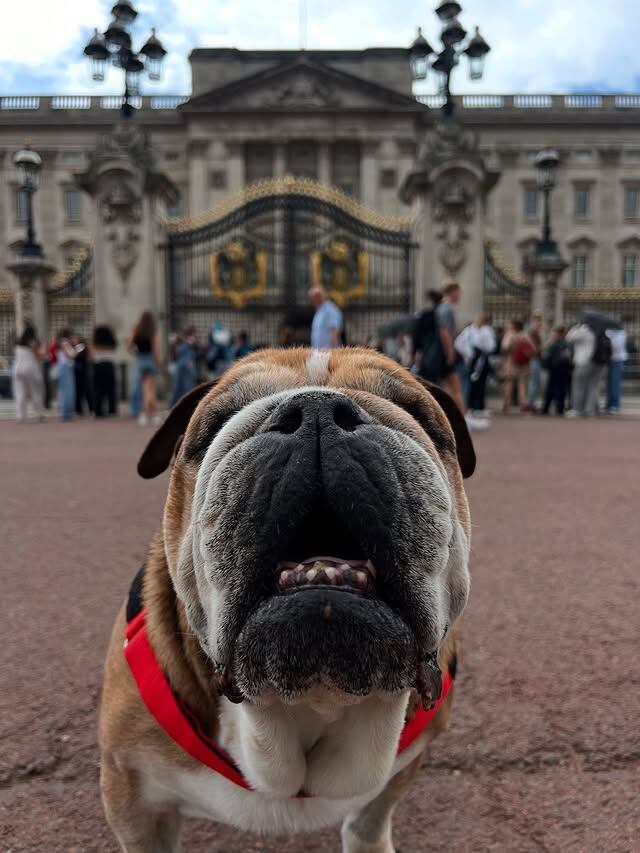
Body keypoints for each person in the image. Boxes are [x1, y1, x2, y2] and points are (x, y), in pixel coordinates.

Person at [455, 313, 496, 418]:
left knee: (476, 382)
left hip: (476, 358)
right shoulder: (483, 330)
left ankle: (475, 406)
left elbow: (458, 343)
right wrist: (469, 353)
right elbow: (491, 346)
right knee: (477, 383)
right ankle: (476, 406)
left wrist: (468, 353)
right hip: (478, 357)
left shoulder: (471, 329)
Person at [435, 282, 465, 413]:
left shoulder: (442, 307)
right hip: (444, 353)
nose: (460, 295)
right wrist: (449, 353)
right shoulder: (446, 308)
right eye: (458, 292)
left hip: (441, 354)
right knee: (456, 387)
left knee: (449, 388)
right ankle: (463, 418)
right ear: (452, 292)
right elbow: (444, 332)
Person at [129, 312, 161, 426]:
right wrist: (159, 363)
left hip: (140, 360)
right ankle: (150, 414)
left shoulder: (137, 330)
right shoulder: (152, 331)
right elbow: (155, 349)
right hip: (150, 360)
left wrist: (136, 352)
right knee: (150, 390)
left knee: (145, 390)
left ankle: (148, 414)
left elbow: (129, 345)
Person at [566, 321, 600, 416]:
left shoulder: (583, 330)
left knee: (578, 386)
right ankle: (589, 410)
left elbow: (569, 337)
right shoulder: (597, 331)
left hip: (582, 362)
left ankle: (577, 409)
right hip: (594, 362)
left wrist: (575, 327)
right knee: (592, 387)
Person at [12, 325, 45, 422]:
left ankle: (21, 415)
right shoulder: (33, 343)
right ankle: (40, 413)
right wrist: (43, 348)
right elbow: (39, 355)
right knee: (36, 392)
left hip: (18, 369)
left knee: (20, 393)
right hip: (30, 369)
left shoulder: (18, 343)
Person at [501, 319, 535, 413]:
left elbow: (505, 347)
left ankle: (506, 405)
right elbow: (532, 348)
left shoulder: (510, 335)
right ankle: (523, 405)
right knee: (522, 385)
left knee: (509, 385)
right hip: (523, 364)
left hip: (511, 363)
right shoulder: (525, 335)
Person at [412, 290, 443, 382]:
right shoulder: (439, 314)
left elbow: (417, 335)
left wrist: (415, 351)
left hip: (427, 351)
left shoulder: (425, 316)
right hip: (437, 352)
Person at [541, 326, 572, 416]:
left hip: (556, 369)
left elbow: (549, 356)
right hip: (562, 369)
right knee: (559, 390)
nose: (552, 335)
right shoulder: (565, 344)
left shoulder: (557, 344)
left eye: (554, 333)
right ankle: (558, 408)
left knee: (552, 390)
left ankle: (547, 408)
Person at [92, 325, 118, 417]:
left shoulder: (95, 342)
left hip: (97, 364)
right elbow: (114, 348)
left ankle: (98, 411)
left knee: (98, 389)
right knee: (111, 389)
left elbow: (92, 352)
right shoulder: (111, 342)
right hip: (108, 364)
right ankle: (112, 410)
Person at [170, 326, 198, 406]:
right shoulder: (183, 343)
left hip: (186, 366)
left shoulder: (189, 344)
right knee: (181, 386)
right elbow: (177, 352)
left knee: (185, 385)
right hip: (183, 366)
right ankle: (177, 402)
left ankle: (183, 403)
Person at [56, 328, 78, 421]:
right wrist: (77, 347)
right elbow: (70, 356)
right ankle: (66, 413)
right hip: (66, 367)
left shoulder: (62, 342)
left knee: (65, 390)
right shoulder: (65, 342)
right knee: (67, 391)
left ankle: (66, 412)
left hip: (64, 367)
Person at [605, 326, 628, 414]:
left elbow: (617, 346)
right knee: (609, 383)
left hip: (618, 360)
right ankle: (609, 403)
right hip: (609, 360)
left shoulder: (621, 333)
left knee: (615, 383)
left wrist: (609, 341)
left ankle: (615, 405)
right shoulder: (608, 332)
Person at [526, 313, 544, 411]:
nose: (540, 324)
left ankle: (531, 402)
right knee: (534, 383)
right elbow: (535, 349)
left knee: (535, 383)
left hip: (535, 359)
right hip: (534, 359)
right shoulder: (532, 333)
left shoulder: (535, 333)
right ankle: (529, 403)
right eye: (538, 321)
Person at [72, 334, 93, 416]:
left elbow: (75, 356)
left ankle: (82, 409)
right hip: (80, 370)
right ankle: (80, 409)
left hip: (81, 370)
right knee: (80, 391)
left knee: (83, 390)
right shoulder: (80, 347)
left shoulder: (80, 346)